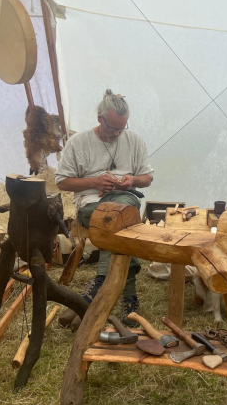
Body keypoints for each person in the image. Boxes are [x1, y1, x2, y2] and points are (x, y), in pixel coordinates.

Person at [55, 89, 154, 324]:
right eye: (112, 128)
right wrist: (95, 181)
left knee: (119, 214)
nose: (117, 133)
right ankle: (128, 298)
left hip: (125, 200)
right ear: (100, 119)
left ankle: (96, 288)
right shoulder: (78, 143)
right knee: (120, 226)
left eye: (122, 128)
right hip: (89, 203)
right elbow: (62, 181)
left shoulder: (134, 140)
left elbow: (147, 179)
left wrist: (132, 180)